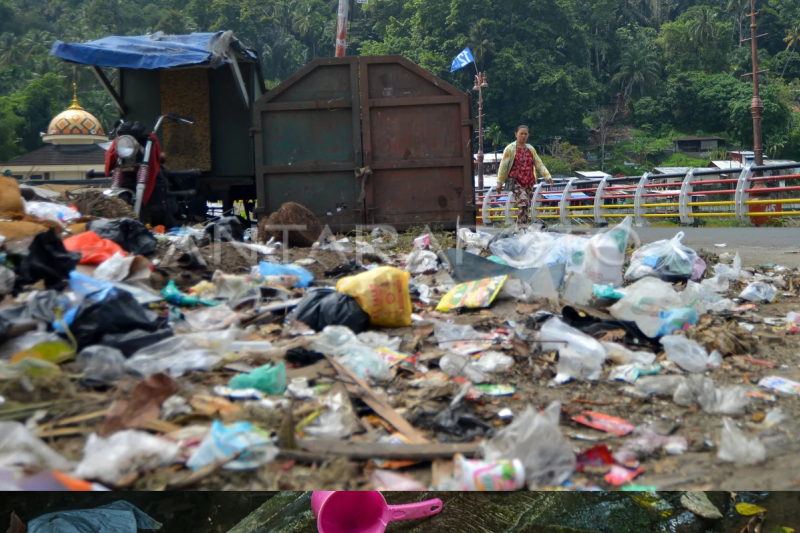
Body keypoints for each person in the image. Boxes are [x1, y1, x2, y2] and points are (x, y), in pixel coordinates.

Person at [497, 125, 553, 226]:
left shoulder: (530, 149)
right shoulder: (510, 149)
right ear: (516, 134)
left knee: (526, 205)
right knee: (524, 203)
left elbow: (539, 163)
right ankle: (520, 227)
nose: (523, 136)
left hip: (528, 181)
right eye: (521, 133)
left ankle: (524, 227)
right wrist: (499, 182)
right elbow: (503, 166)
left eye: (525, 134)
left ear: (528, 135)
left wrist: (547, 176)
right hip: (516, 181)